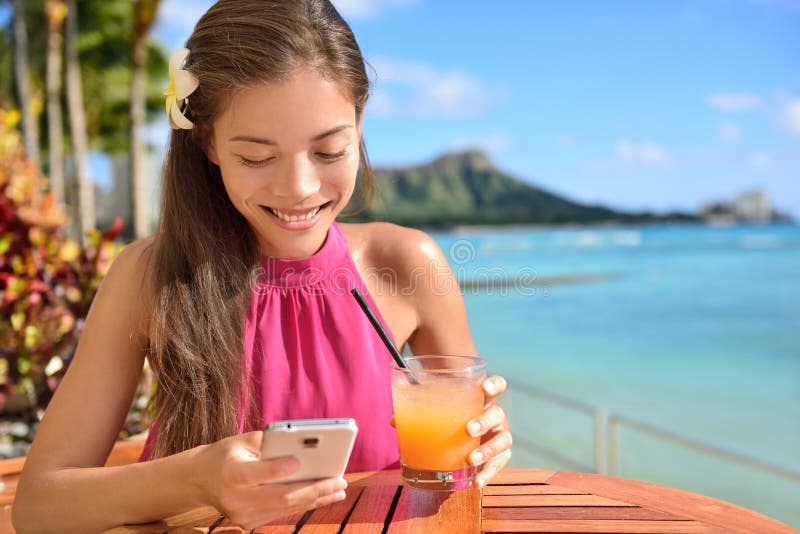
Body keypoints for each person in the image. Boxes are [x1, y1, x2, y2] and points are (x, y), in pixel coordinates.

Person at [12, 0, 512, 531]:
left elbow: (460, 459)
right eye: (256, 157)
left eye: (329, 150)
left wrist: (486, 446)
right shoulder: (149, 276)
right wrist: (198, 479)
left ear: (360, 124)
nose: (298, 189)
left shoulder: (409, 265)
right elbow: (40, 507)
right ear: (206, 142)